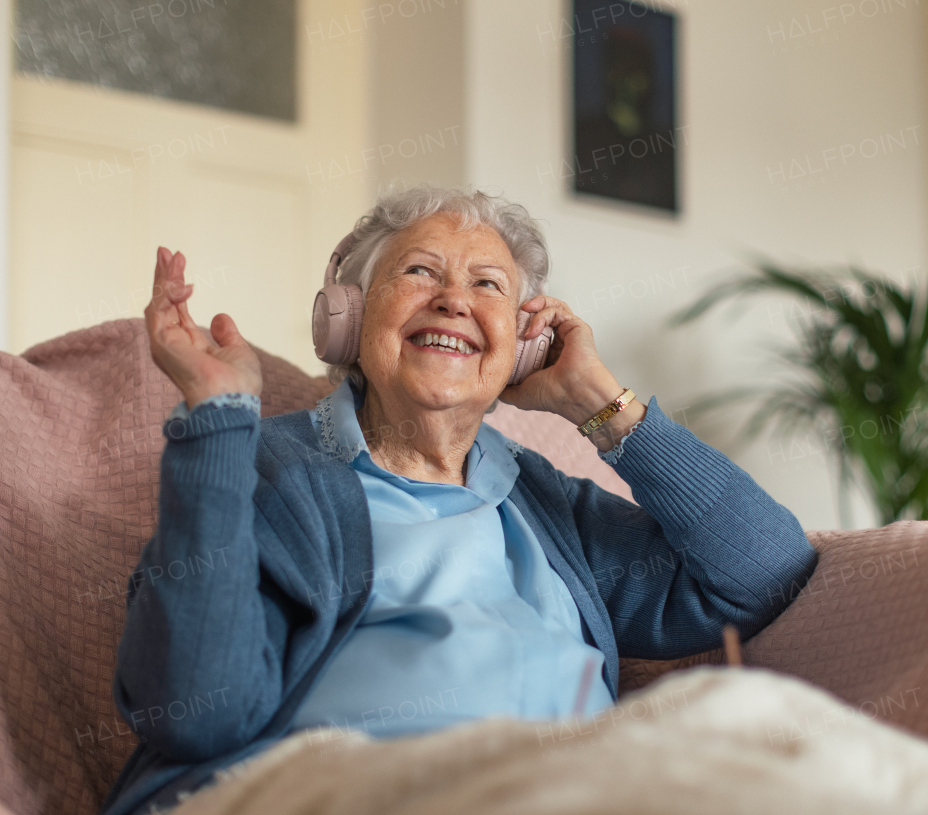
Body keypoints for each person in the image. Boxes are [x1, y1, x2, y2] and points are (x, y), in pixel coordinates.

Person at [100, 186, 817, 815]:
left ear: (524, 346)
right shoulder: (264, 466)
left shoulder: (546, 507)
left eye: (488, 284)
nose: (454, 300)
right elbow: (197, 709)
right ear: (347, 317)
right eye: (419, 271)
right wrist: (218, 417)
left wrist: (601, 401)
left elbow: (767, 568)